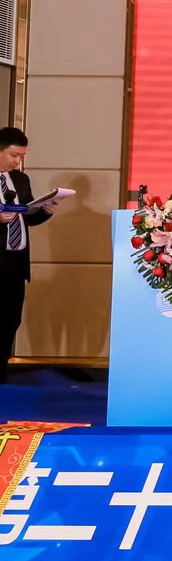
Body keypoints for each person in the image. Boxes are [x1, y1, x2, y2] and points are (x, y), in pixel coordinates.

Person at [0, 128, 58, 384]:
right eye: (14, 155)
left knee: (11, 319)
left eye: (22, 156)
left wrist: (45, 211)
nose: (18, 161)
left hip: (16, 263)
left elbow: (28, 217)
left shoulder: (21, 180)